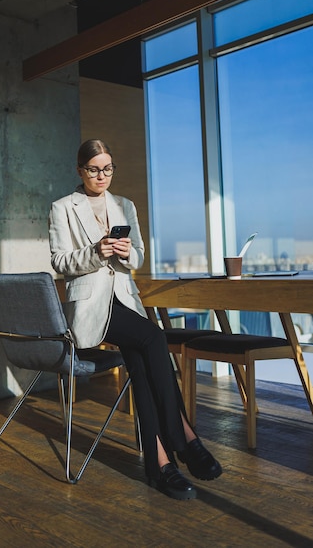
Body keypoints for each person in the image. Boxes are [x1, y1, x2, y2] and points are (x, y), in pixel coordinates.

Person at [48, 138, 222, 500]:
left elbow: (139, 256)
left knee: (142, 368)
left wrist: (127, 253)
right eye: (94, 169)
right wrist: (95, 252)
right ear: (80, 170)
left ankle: (159, 465)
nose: (102, 175)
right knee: (154, 339)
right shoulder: (63, 207)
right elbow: (61, 263)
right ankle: (184, 438)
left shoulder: (124, 205)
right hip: (91, 306)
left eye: (108, 168)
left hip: (125, 302)